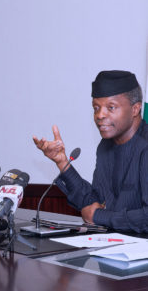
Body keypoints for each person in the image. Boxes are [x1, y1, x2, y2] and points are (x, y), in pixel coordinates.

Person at [34, 70, 148, 233]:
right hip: (114, 245)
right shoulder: (105, 146)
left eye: (111, 107)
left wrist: (100, 216)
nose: (100, 115)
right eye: (96, 108)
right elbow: (93, 202)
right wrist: (62, 162)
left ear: (135, 109)